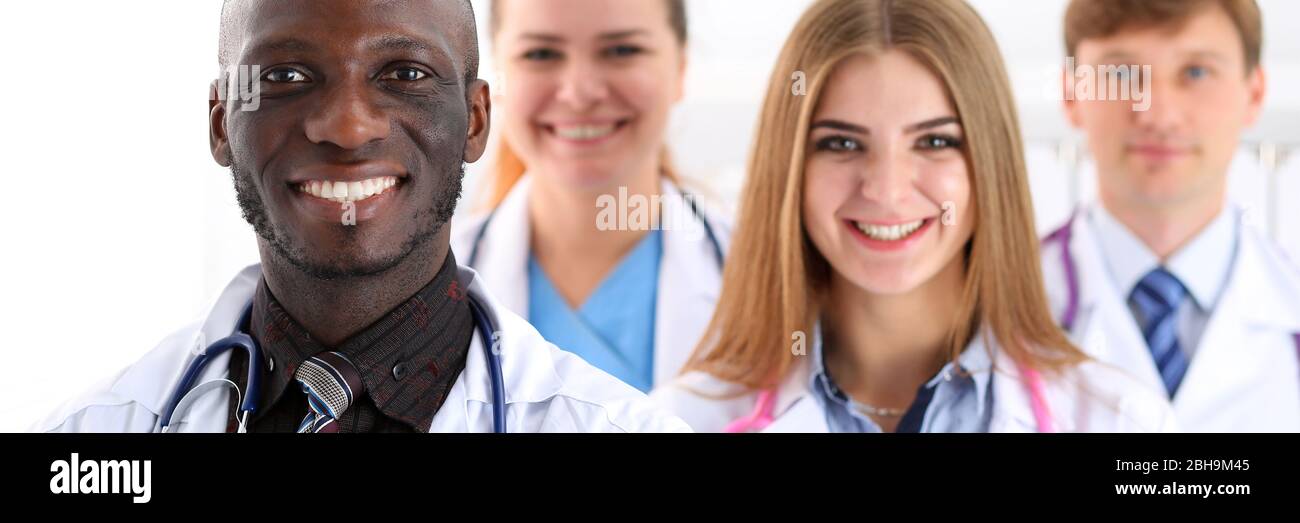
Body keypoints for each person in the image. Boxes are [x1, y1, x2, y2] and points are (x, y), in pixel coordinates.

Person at [34, 0, 690, 433]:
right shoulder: (89, 438)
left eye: (404, 73)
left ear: (477, 120)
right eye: (287, 76)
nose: (347, 128)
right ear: (220, 125)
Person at [653, 0, 1175, 433]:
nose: (886, 188)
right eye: (840, 142)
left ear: (989, 167)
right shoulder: (680, 421)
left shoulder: (1121, 421)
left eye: (934, 141)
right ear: (788, 169)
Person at [1042, 0, 1298, 432]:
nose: (1158, 115)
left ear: (1253, 95)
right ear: (1073, 97)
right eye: (1120, 75)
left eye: (1196, 72)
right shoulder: (989, 316)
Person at [451, 0, 730, 393]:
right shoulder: (421, 291)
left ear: (681, 68)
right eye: (541, 54)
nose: (580, 93)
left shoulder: (778, 280)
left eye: (622, 50)